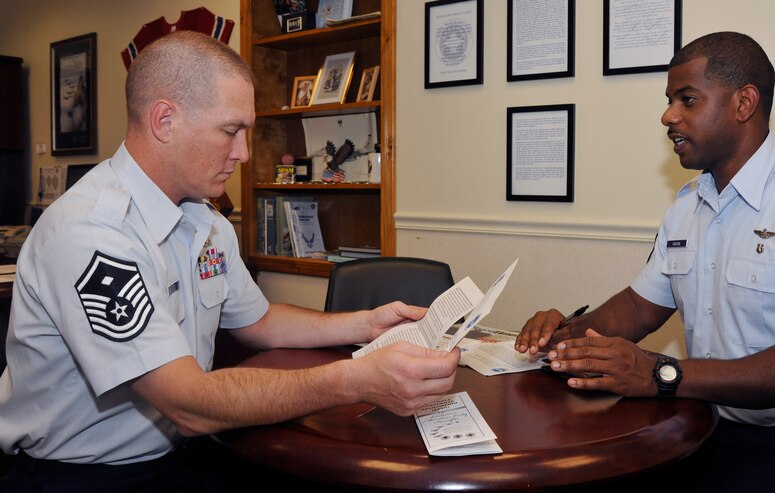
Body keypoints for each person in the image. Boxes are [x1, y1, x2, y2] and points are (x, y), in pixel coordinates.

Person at [0, 31, 460, 491]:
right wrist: (356, 380)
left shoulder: (204, 219)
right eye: (230, 130)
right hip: (83, 477)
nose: (242, 153)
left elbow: (258, 321)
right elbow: (190, 404)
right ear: (165, 120)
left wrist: (366, 325)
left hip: (181, 452)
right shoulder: (92, 233)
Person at [515, 32, 775, 492]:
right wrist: (566, 338)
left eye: (687, 100)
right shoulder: (688, 206)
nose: (668, 116)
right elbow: (637, 308)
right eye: (670, 101)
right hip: (695, 421)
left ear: (743, 103)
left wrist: (660, 373)